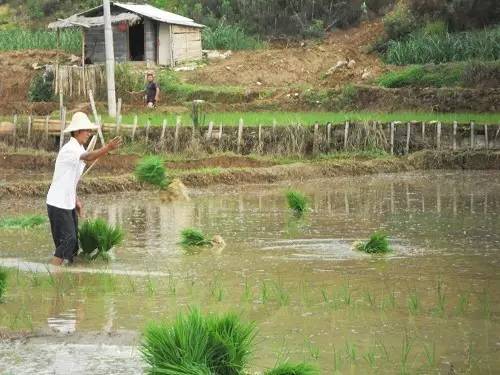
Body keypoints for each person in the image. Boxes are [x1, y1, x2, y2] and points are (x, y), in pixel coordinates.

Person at [46, 112, 122, 266]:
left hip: (67, 202)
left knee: (73, 246)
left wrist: (76, 199)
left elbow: (70, 179)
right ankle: (52, 272)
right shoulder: (70, 149)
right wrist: (107, 147)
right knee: (68, 240)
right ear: (77, 131)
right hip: (57, 203)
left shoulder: (78, 148)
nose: (89, 133)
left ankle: (69, 276)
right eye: (86, 130)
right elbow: (88, 157)